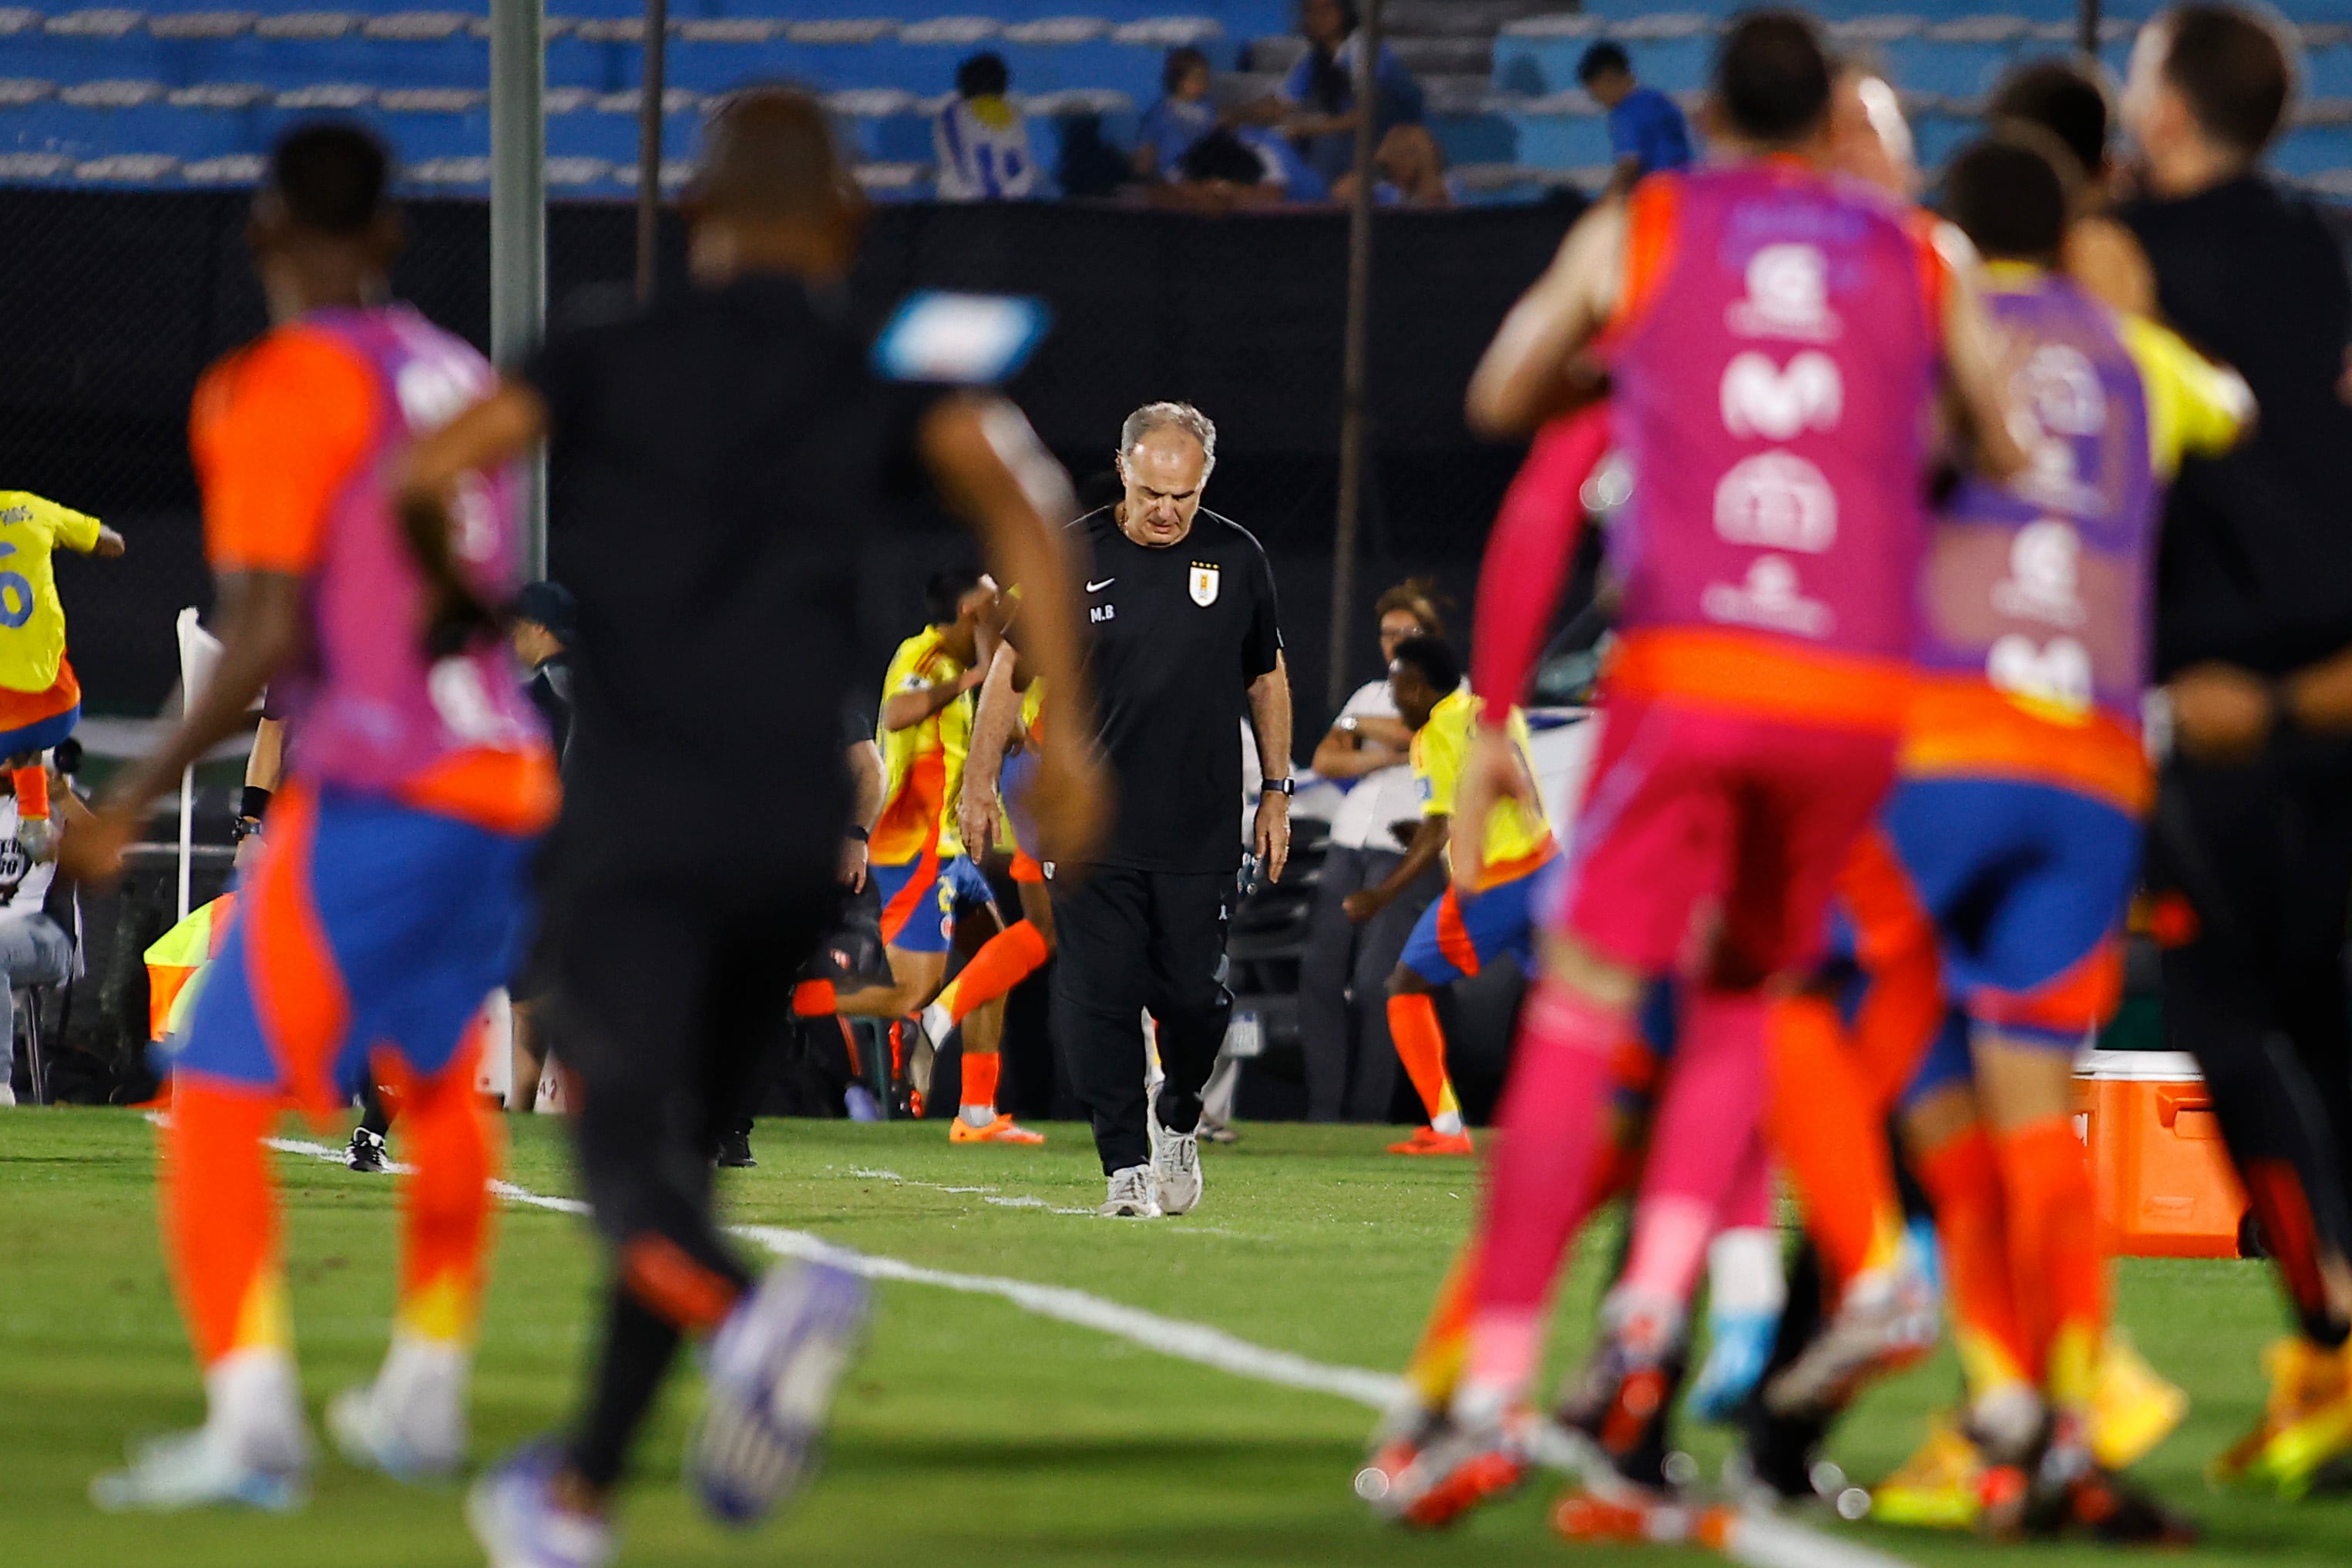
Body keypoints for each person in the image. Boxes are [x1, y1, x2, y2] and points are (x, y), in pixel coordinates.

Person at [393, 89, 1101, 1560]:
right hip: (793, 825)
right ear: (846, 221)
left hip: (640, 816)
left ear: (695, 215)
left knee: (622, 1157)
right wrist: (1072, 733)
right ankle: (578, 1488)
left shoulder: (601, 342)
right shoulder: (883, 364)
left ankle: (755, 1305)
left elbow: (422, 472)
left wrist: (461, 616)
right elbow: (1027, 499)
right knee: (686, 1138)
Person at [1361, 10, 2022, 1524]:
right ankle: (1678, 1318)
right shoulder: (1923, 257)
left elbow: (1501, 395)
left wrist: (1633, 373)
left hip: (1691, 674)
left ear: (1710, 112)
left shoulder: (1648, 221)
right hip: (1853, 700)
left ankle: (1497, 1382)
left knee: (1589, 1026)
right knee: (1750, 1001)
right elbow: (1992, 439)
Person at [1762, 131, 2247, 1542]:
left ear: (1955, 233)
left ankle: (1876, 1278)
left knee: (1814, 1002)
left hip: (1945, 750)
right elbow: (2226, 405)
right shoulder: (2136, 356)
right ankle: (2052, 1426)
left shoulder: (1930, 327)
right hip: (2092, 773)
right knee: (2036, 1111)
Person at [68, 121, 554, 1512]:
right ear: (394, 238)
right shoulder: (459, 373)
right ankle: (427, 1380)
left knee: (215, 1083)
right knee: (433, 1059)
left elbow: (274, 625)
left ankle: (255, 1419)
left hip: (386, 778)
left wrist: (137, 793)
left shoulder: (274, 388)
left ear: (266, 235)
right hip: (501, 770)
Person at [2118, 2, 2352, 1494]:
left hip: (2219, 705)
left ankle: (2323, 1349)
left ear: (2166, 108)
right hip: (2332, 693)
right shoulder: (2327, 245)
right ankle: (2327, 1366)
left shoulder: (2121, 251)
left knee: (2227, 1022)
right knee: (2321, 1031)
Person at [1057, 400, 1289, 1219]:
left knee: (1194, 999)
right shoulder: (1073, 548)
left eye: (1181, 497)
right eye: (1152, 492)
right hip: (1092, 829)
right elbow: (1015, 672)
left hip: (1198, 829)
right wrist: (982, 786)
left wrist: (1275, 788)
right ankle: (1122, 1165)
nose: (1165, 510)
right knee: (1103, 998)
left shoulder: (1237, 555)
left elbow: (1265, 676)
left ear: (1204, 482)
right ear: (1123, 467)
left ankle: (1179, 1114)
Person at [833, 568, 1040, 1139]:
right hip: (912, 847)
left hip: (950, 850)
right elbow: (897, 714)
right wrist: (970, 678)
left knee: (995, 962)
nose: (996, 604)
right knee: (914, 989)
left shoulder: (964, 667)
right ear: (963, 608)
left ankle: (976, 1110)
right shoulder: (923, 655)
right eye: (985, 598)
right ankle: (808, 1001)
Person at [1353, 635, 1555, 1157]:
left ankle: (1447, 1128)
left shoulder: (1431, 734)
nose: (1396, 701)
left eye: (1399, 690)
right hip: (1548, 868)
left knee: (1403, 986)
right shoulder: (1492, 711)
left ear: (1419, 688)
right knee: (1572, 1003)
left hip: (1494, 884)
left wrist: (1380, 894)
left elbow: (1438, 827)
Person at [1300, 582, 1446, 1123]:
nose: (1395, 643)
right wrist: (1375, 748)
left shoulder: (1451, 690)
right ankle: (1323, 1111)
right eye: (1388, 634)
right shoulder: (1367, 695)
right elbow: (1324, 758)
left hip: (1400, 851)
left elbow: (1422, 730)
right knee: (1318, 975)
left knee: (1372, 984)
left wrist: (1361, 735)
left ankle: (1365, 1114)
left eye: (1407, 633)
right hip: (1349, 842)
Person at [0, 489, 124, 858]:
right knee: (26, 743)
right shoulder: (29, 507)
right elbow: (113, 544)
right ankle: (34, 816)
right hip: (58, 706)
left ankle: (35, 813)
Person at [506, 579, 575, 1116]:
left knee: (530, 1003)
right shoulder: (615, 692)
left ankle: (522, 1105)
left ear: (537, 629)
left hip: (544, 859)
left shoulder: (532, 697)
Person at [1275, 0, 1425, 189]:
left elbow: (1366, 116)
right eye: (1310, 11)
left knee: (1328, 144)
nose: (1317, 18)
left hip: (1384, 146)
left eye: (1326, 9)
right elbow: (1283, 103)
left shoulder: (1366, 51)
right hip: (1346, 146)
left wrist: (1312, 127)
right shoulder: (1314, 60)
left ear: (1343, 12)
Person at [0, 757, 79, 1106]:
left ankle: (0, 1085)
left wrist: (63, 797)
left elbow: (110, 850)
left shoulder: (47, 801)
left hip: (44, 931)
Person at [1579, 40, 1695, 196]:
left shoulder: (1625, 113)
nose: (1599, 100)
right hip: (1687, 190)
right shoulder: (1660, 101)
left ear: (1607, 78)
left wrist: (1604, 204)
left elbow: (1630, 166)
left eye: (1596, 94)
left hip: (1658, 197)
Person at [935, 51, 1037, 202]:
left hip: (959, 204)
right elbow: (1021, 169)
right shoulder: (1012, 112)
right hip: (1009, 207)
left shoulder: (951, 113)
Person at [1136, 46, 1220, 181]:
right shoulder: (1160, 112)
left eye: (1205, 78)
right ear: (1178, 80)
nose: (1204, 84)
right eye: (1197, 78)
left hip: (1205, 172)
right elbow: (1147, 146)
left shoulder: (1208, 110)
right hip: (1171, 173)